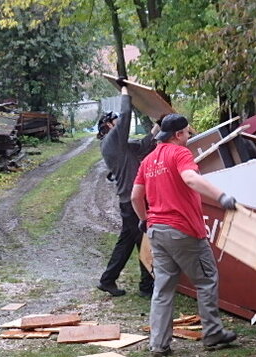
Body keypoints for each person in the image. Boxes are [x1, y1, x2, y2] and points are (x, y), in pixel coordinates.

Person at [130, 113, 238, 356]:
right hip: (183, 230)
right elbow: (190, 178)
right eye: (188, 132)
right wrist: (221, 196)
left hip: (157, 230)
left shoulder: (148, 161)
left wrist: (144, 220)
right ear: (178, 134)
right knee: (206, 278)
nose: (189, 136)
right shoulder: (180, 153)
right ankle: (212, 333)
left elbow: (136, 196)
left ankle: (158, 344)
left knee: (163, 287)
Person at [96, 77, 158, 298]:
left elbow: (142, 146)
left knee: (130, 240)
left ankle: (108, 280)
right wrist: (125, 93)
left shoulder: (122, 145)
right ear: (108, 126)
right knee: (143, 239)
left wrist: (158, 126)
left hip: (131, 199)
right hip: (131, 200)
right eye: (114, 121)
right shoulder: (110, 142)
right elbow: (124, 123)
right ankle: (146, 286)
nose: (117, 124)